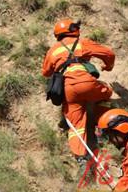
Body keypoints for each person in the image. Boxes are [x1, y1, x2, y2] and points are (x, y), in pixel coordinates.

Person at [41, 18, 115, 159]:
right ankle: (101, 129)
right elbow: (109, 54)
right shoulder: (82, 43)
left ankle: (81, 157)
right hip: (86, 82)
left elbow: (45, 72)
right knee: (106, 92)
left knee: (76, 125)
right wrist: (108, 67)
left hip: (68, 88)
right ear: (72, 30)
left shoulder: (53, 50)